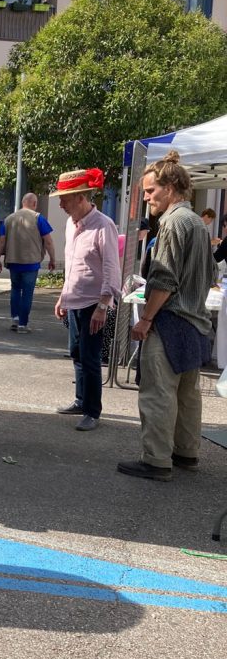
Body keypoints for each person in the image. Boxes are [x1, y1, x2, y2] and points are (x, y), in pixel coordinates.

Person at [117, 151, 216, 481]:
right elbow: (211, 272)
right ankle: (186, 452)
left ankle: (156, 460)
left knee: (158, 393)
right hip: (196, 322)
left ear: (171, 186)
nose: (146, 199)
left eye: (150, 191)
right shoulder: (199, 225)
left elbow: (164, 279)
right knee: (188, 395)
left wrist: (145, 319)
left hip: (171, 321)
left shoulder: (173, 222)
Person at [52, 168, 121, 432]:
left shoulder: (104, 225)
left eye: (65, 199)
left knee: (90, 358)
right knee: (76, 354)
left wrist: (103, 306)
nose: (61, 204)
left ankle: (93, 410)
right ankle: (81, 401)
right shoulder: (72, 224)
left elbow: (111, 269)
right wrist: (62, 297)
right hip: (74, 300)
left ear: (81, 197)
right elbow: (72, 266)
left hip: (94, 303)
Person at [0, 193, 56, 332]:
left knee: (15, 289)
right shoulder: (38, 218)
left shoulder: (8, 219)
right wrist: (52, 258)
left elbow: (1, 241)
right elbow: (48, 241)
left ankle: (15, 319)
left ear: (23, 203)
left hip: (13, 261)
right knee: (27, 293)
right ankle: (23, 324)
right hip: (31, 262)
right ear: (34, 203)